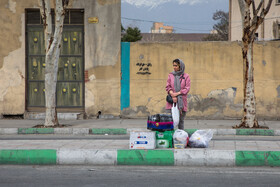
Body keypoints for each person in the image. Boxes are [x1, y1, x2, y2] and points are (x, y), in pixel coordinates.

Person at [166, 59, 191, 130]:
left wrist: (177, 94)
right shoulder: (171, 75)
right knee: (171, 121)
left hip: (181, 101)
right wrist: (172, 94)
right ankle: (171, 138)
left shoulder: (186, 76)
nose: (174, 67)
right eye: (173, 65)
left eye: (176, 65)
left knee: (181, 121)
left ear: (181, 66)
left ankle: (181, 137)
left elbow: (187, 88)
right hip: (172, 101)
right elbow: (168, 86)